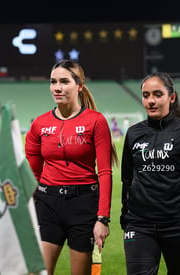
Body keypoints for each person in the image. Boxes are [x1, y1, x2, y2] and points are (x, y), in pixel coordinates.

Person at [25, 60, 119, 275]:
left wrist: (102, 218)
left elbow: (104, 172)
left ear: (79, 85)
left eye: (64, 81)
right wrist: (24, 213)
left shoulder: (96, 121)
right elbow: (33, 174)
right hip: (47, 204)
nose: (57, 87)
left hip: (83, 206)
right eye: (53, 82)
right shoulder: (39, 124)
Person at [120, 72, 180, 275]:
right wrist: (126, 216)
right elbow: (127, 178)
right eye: (146, 95)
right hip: (139, 224)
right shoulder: (133, 133)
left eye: (157, 94)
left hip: (178, 224)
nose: (150, 101)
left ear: (172, 97)